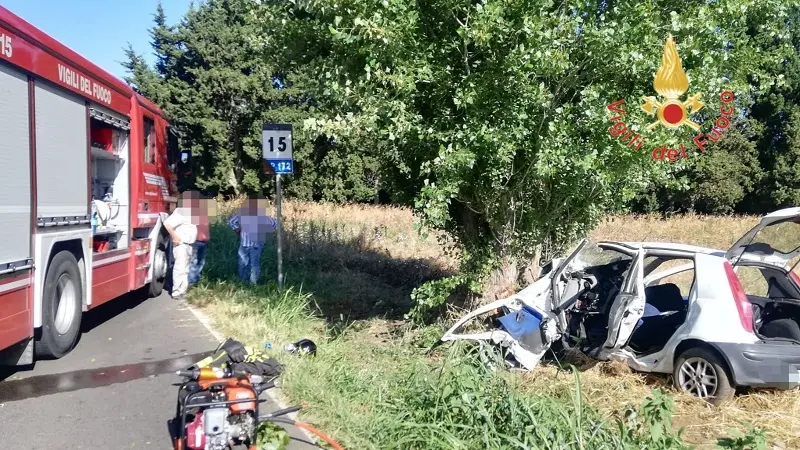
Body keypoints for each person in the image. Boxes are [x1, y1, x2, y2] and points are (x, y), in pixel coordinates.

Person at [228, 197, 277, 285]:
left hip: (257, 244)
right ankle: (243, 282)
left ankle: (253, 284)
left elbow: (274, 224)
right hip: (244, 243)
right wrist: (237, 229)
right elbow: (231, 221)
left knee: (254, 264)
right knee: (242, 264)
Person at [163, 191, 199, 301]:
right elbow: (167, 224)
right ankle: (177, 292)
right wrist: (175, 237)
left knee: (185, 269)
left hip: (189, 244)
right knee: (180, 268)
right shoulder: (181, 211)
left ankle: (183, 290)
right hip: (182, 244)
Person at [189, 196, 214, 287]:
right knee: (194, 261)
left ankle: (196, 279)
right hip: (195, 240)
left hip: (204, 241)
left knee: (200, 261)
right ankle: (191, 281)